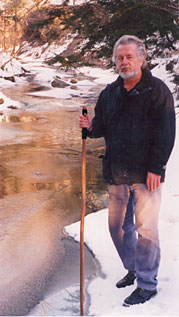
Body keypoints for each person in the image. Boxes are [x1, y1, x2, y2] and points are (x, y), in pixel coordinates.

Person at [79, 35, 176, 306]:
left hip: (147, 175)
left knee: (146, 230)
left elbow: (167, 133)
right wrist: (89, 127)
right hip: (118, 172)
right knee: (116, 227)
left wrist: (157, 167)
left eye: (129, 57)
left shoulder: (157, 91)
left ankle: (147, 284)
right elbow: (101, 127)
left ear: (142, 59)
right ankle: (133, 267)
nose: (124, 62)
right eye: (119, 58)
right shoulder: (110, 93)